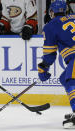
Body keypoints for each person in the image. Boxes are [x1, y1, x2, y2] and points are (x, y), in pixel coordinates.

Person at [37, 0, 75, 128]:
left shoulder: (50, 26)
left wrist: (43, 67)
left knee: (71, 81)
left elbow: (49, 54)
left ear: (51, 12)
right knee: (64, 78)